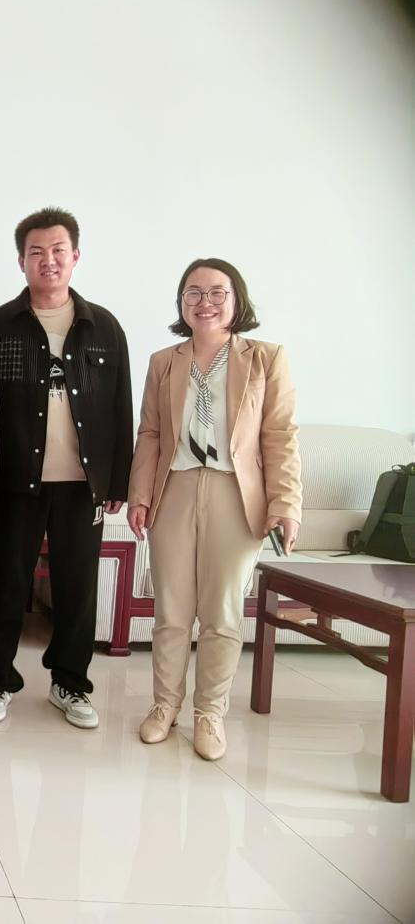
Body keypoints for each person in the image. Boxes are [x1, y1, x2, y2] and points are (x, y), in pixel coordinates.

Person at [128, 257, 301, 760]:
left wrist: (285, 503)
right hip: (176, 488)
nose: (205, 302)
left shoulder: (265, 358)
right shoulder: (165, 361)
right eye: (194, 293)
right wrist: (140, 495)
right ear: (181, 302)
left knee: (222, 611)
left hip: (235, 493)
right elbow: (150, 432)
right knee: (171, 610)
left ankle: (209, 713)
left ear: (236, 299)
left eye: (216, 292)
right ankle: (165, 705)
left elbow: (280, 435)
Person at [0, 207, 132, 730]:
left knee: (77, 588)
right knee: (7, 582)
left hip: (84, 485)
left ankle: (70, 682)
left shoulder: (104, 326)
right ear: (21, 261)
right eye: (36, 252)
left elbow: (120, 407)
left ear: (75, 256)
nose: (48, 261)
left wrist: (118, 480)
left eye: (58, 251)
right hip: (15, 481)